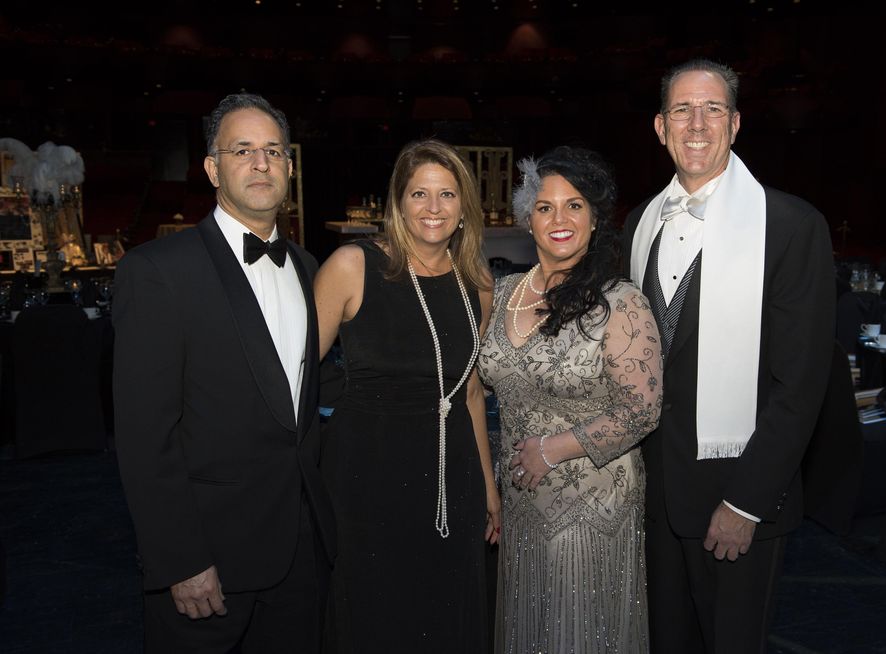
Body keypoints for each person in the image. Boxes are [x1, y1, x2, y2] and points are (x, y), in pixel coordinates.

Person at [622, 59, 835, 653]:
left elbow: (801, 386)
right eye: (681, 110)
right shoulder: (640, 224)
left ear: (736, 124)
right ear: (659, 127)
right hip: (656, 500)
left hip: (736, 499)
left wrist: (747, 502)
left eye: (713, 109)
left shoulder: (791, 226)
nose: (697, 123)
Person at [113, 93, 339, 652]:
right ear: (213, 168)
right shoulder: (158, 271)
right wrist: (179, 560)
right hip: (208, 564)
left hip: (299, 553)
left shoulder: (309, 268)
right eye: (242, 150)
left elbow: (303, 400)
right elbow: (145, 437)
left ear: (289, 166)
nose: (261, 163)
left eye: (274, 151)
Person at [313, 139, 499, 653]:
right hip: (366, 477)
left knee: (444, 609)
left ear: (465, 207)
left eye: (446, 195)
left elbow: (471, 391)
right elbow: (298, 377)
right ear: (397, 202)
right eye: (419, 193)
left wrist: (488, 485)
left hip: (451, 475)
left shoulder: (478, 283)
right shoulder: (353, 265)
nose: (433, 209)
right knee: (376, 613)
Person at [479, 146, 663, 653]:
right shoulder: (503, 292)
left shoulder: (619, 300)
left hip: (591, 508)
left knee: (578, 634)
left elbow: (641, 409)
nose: (559, 219)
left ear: (595, 217)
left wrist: (553, 448)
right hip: (519, 503)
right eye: (544, 207)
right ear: (527, 219)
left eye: (574, 204)